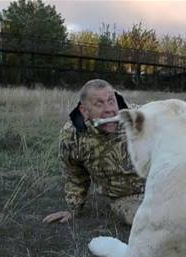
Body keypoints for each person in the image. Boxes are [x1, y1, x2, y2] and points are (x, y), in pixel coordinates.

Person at [43, 79, 145, 225]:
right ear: (84, 111)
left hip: (163, 185)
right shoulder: (72, 136)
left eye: (111, 101)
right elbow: (75, 175)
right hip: (126, 198)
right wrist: (73, 209)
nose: (109, 109)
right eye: (99, 104)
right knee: (149, 221)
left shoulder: (139, 116)